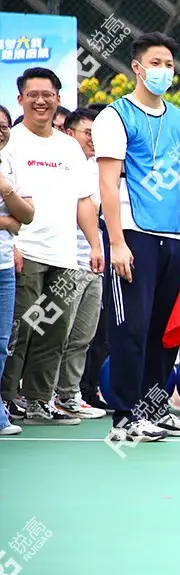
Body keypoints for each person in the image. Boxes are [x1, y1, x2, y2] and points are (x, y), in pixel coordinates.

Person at [92, 31, 180, 442]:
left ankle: (155, 410)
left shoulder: (179, 118)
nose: (164, 71)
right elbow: (107, 184)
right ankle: (125, 417)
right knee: (131, 330)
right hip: (133, 236)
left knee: (164, 331)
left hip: (172, 238)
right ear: (137, 68)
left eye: (169, 64)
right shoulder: (114, 116)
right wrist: (116, 242)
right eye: (156, 63)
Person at [1, 67, 102, 426]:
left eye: (47, 95)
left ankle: (39, 401)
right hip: (24, 252)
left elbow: (84, 200)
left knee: (54, 332)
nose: (40, 101)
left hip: (65, 256)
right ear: (20, 99)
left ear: (59, 99)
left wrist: (95, 244)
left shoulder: (69, 147)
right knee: (20, 332)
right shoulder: (10, 142)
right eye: (33, 95)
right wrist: (13, 244)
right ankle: (7, 400)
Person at [52, 108, 106, 420]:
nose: (93, 140)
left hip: (93, 262)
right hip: (64, 261)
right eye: (88, 133)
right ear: (70, 133)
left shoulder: (99, 170)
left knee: (83, 335)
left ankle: (69, 395)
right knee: (56, 333)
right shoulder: (60, 167)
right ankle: (40, 396)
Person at [0, 103, 33, 435]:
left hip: (4, 268)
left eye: (4, 126)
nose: (0, 131)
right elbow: (13, 220)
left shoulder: (10, 166)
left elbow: (27, 215)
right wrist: (4, 222)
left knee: (2, 343)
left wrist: (5, 186)